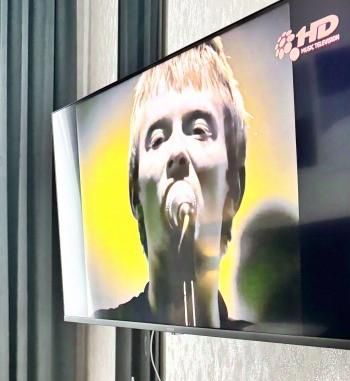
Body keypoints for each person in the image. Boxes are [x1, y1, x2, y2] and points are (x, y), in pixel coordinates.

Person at [95, 38, 249, 330]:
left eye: (199, 130)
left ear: (234, 186)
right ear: (135, 196)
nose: (177, 151)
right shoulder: (103, 322)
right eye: (157, 139)